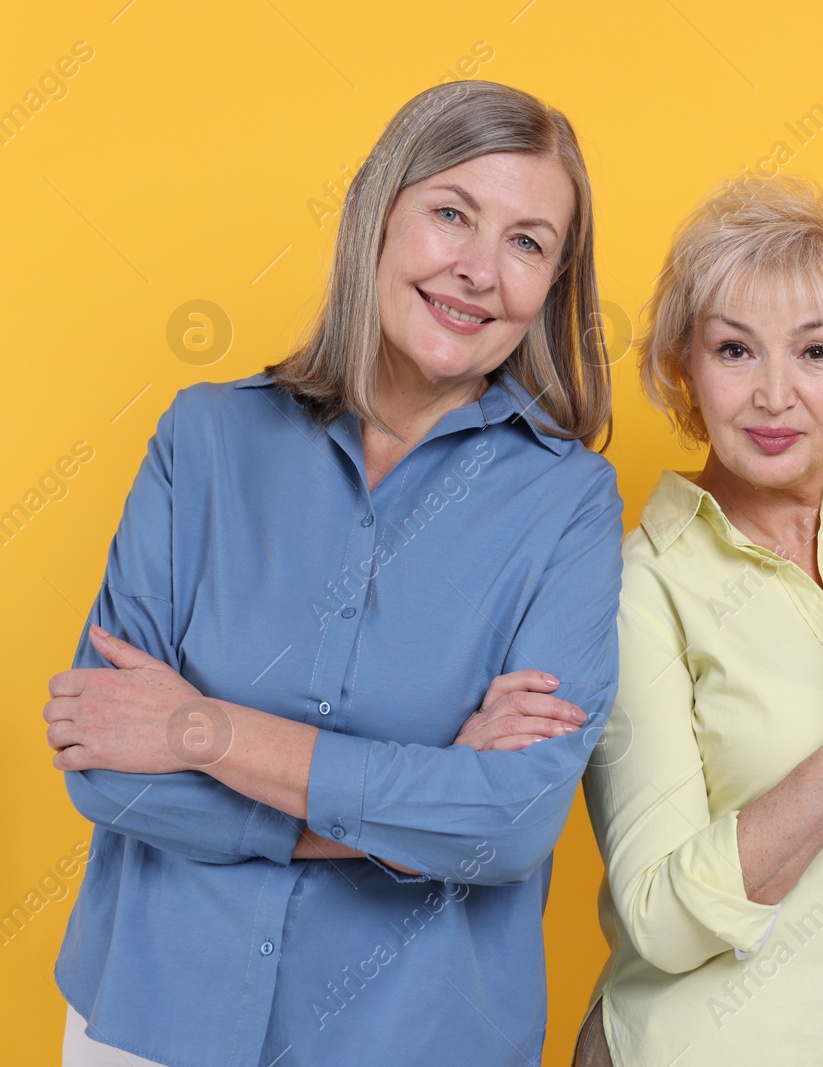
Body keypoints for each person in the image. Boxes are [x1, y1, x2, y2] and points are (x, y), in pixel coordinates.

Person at [42, 81, 620, 1067]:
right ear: (373, 214)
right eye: (451, 214)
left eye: (526, 242)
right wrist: (409, 810)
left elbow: (509, 825)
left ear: (554, 282)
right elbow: (104, 761)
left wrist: (205, 729)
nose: (479, 271)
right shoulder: (205, 438)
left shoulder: (570, 501)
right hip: (147, 1018)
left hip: (417, 1037)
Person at [468, 175, 823, 1066]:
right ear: (685, 370)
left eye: (815, 352)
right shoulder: (635, 585)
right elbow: (659, 914)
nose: (775, 395)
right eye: (736, 350)